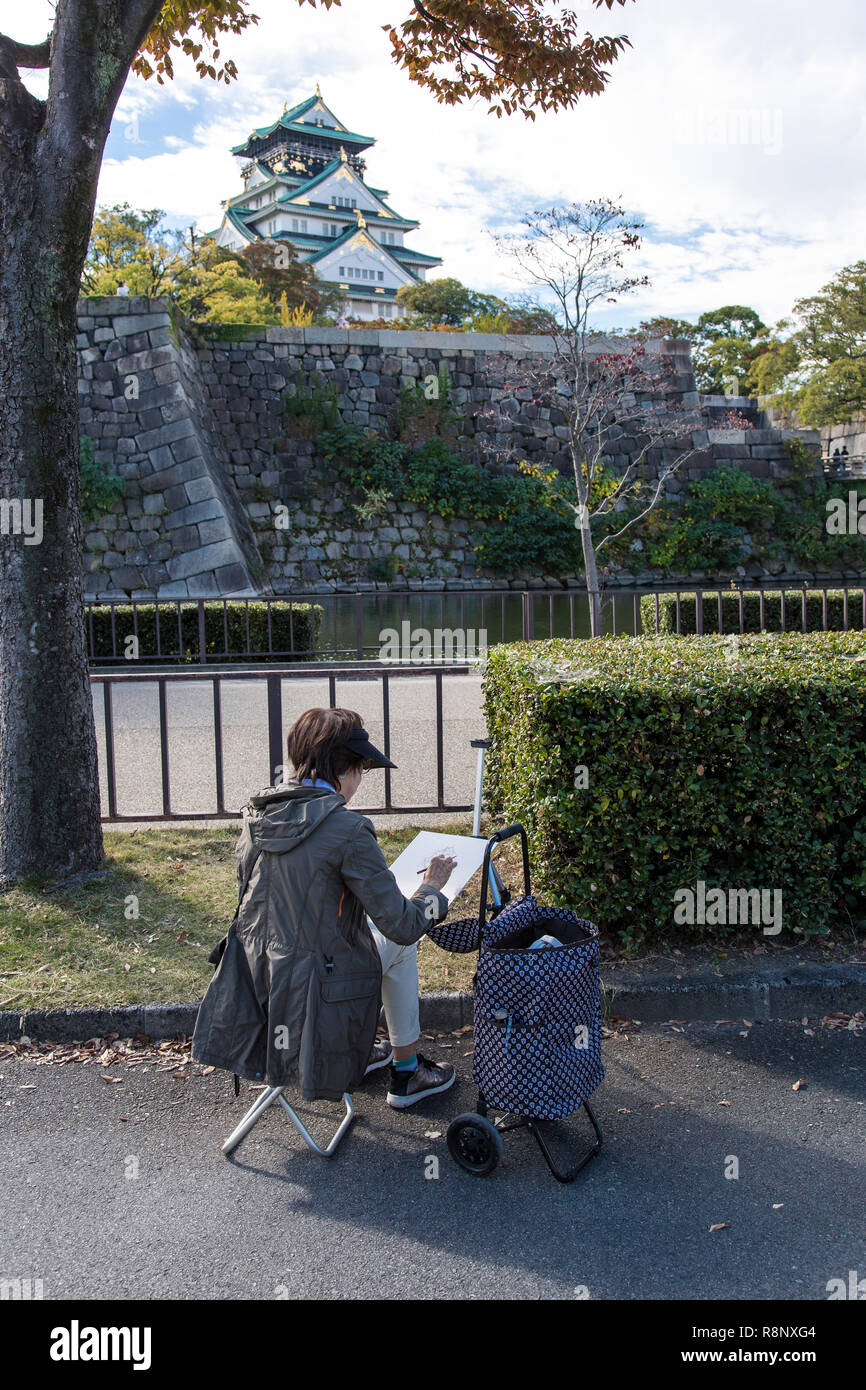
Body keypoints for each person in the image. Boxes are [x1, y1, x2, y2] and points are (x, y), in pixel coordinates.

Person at [192, 707, 458, 1109]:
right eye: (361, 770)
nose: (360, 781)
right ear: (346, 770)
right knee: (401, 947)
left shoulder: (256, 816)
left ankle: (362, 1051)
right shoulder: (349, 829)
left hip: (253, 983)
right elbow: (403, 925)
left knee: (344, 940)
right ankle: (406, 1074)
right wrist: (432, 888)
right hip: (317, 995)